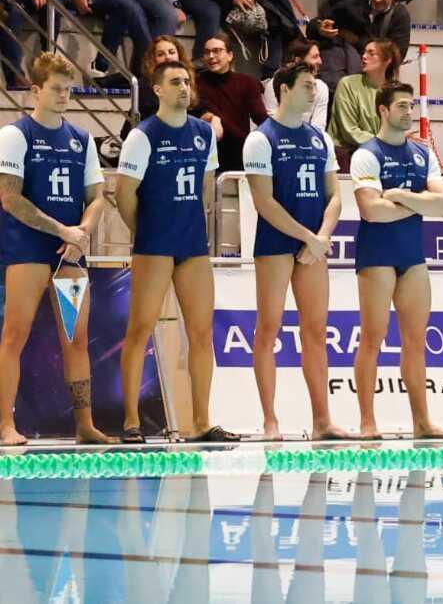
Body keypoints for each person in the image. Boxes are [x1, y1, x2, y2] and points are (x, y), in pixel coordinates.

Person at [115, 60, 239, 443]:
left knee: (201, 334)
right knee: (139, 331)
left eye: (187, 81)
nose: (185, 87)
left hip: (192, 244)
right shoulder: (143, 135)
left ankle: (201, 421)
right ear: (158, 90)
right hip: (154, 242)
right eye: (175, 82)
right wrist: (146, 232)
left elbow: (204, 189)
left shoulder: (203, 133)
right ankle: (131, 422)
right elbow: (123, 195)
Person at [0, 53, 115, 445]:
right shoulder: (16, 135)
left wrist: (82, 231)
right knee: (15, 335)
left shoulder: (81, 138)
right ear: (35, 90)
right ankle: (5, 425)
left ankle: (85, 425)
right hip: (28, 250)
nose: (65, 96)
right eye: (57, 89)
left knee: (77, 339)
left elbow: (97, 196)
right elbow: (10, 198)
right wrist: (62, 230)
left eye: (69, 89)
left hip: (70, 255)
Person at [242, 61, 349, 441]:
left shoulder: (319, 139)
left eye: (315, 86)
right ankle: (270, 421)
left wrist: (320, 236)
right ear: (284, 89)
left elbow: (335, 194)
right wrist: (309, 237)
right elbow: (264, 202)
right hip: (276, 243)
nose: (313, 92)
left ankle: (323, 420)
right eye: (306, 86)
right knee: (268, 329)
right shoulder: (261, 138)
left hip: (313, 244)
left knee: (316, 332)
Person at [349, 82, 443, 439]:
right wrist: (416, 202)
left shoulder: (422, 154)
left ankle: (422, 422)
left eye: (412, 106)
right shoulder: (366, 154)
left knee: (415, 341)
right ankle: (367, 422)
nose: (409, 112)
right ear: (383, 110)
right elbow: (371, 212)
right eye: (402, 106)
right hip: (376, 255)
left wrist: (399, 195)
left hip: (412, 256)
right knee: (373, 338)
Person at [196, 32, 270, 173]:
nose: (211, 56)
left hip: (239, 153)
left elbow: (261, 117)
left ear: (230, 55)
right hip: (206, 155)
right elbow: (199, 110)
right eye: (207, 52)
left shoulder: (247, 83)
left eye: (217, 51)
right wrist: (212, 117)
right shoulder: (196, 82)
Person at [329, 39, 401, 164]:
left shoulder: (394, 91)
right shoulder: (347, 84)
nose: (363, 57)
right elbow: (349, 132)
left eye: (371, 53)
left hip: (380, 152)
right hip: (346, 153)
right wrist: (385, 141)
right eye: (364, 52)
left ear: (387, 60)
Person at [259, 39, 330, 130]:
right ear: (298, 60)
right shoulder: (274, 84)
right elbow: (272, 122)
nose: (320, 61)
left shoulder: (321, 88)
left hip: (308, 139)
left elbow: (319, 127)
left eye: (319, 56)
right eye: (315, 57)